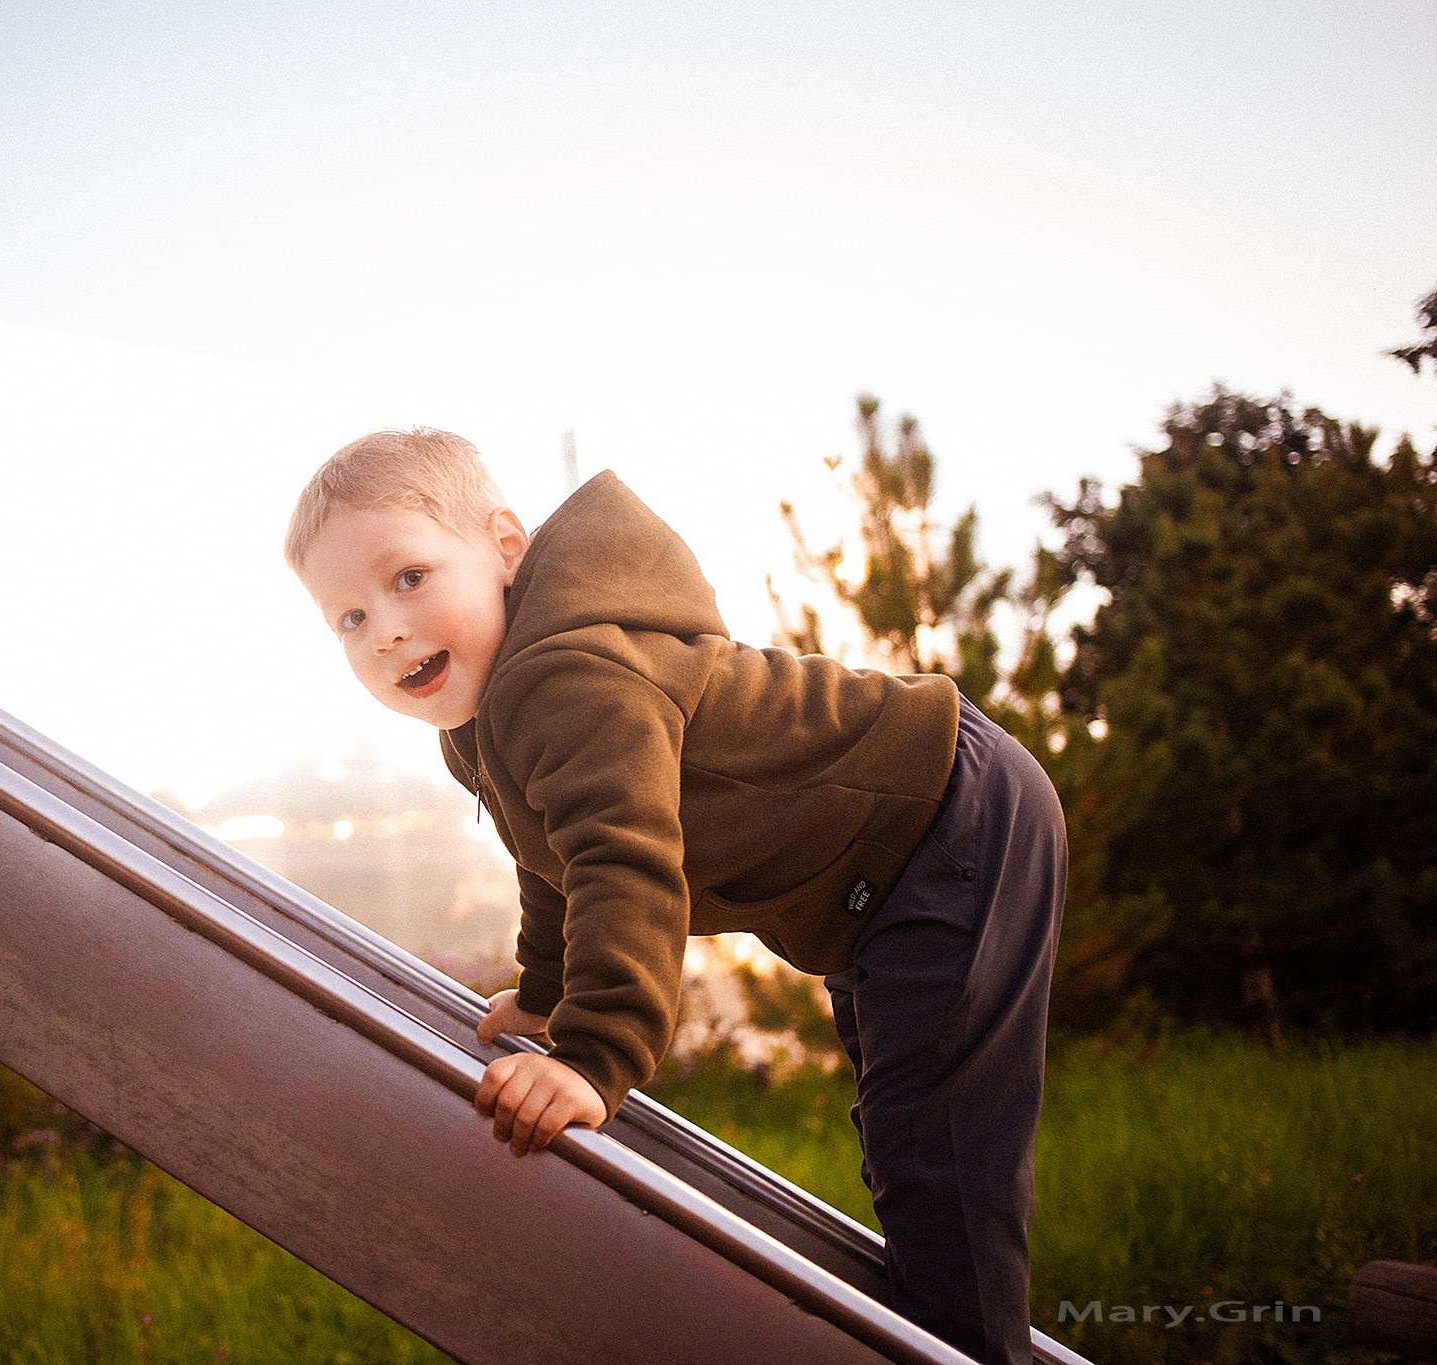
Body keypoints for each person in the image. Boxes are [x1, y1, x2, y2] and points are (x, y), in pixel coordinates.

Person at [285, 427, 1066, 1365]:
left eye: (408, 577)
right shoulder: (486, 724)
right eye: (350, 619)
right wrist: (544, 988)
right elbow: (558, 862)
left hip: (948, 821)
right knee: (907, 1137)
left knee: (938, 1154)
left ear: (505, 547)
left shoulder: (568, 678)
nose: (388, 629)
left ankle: (972, 1348)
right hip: (885, 873)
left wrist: (594, 1050)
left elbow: (625, 861)